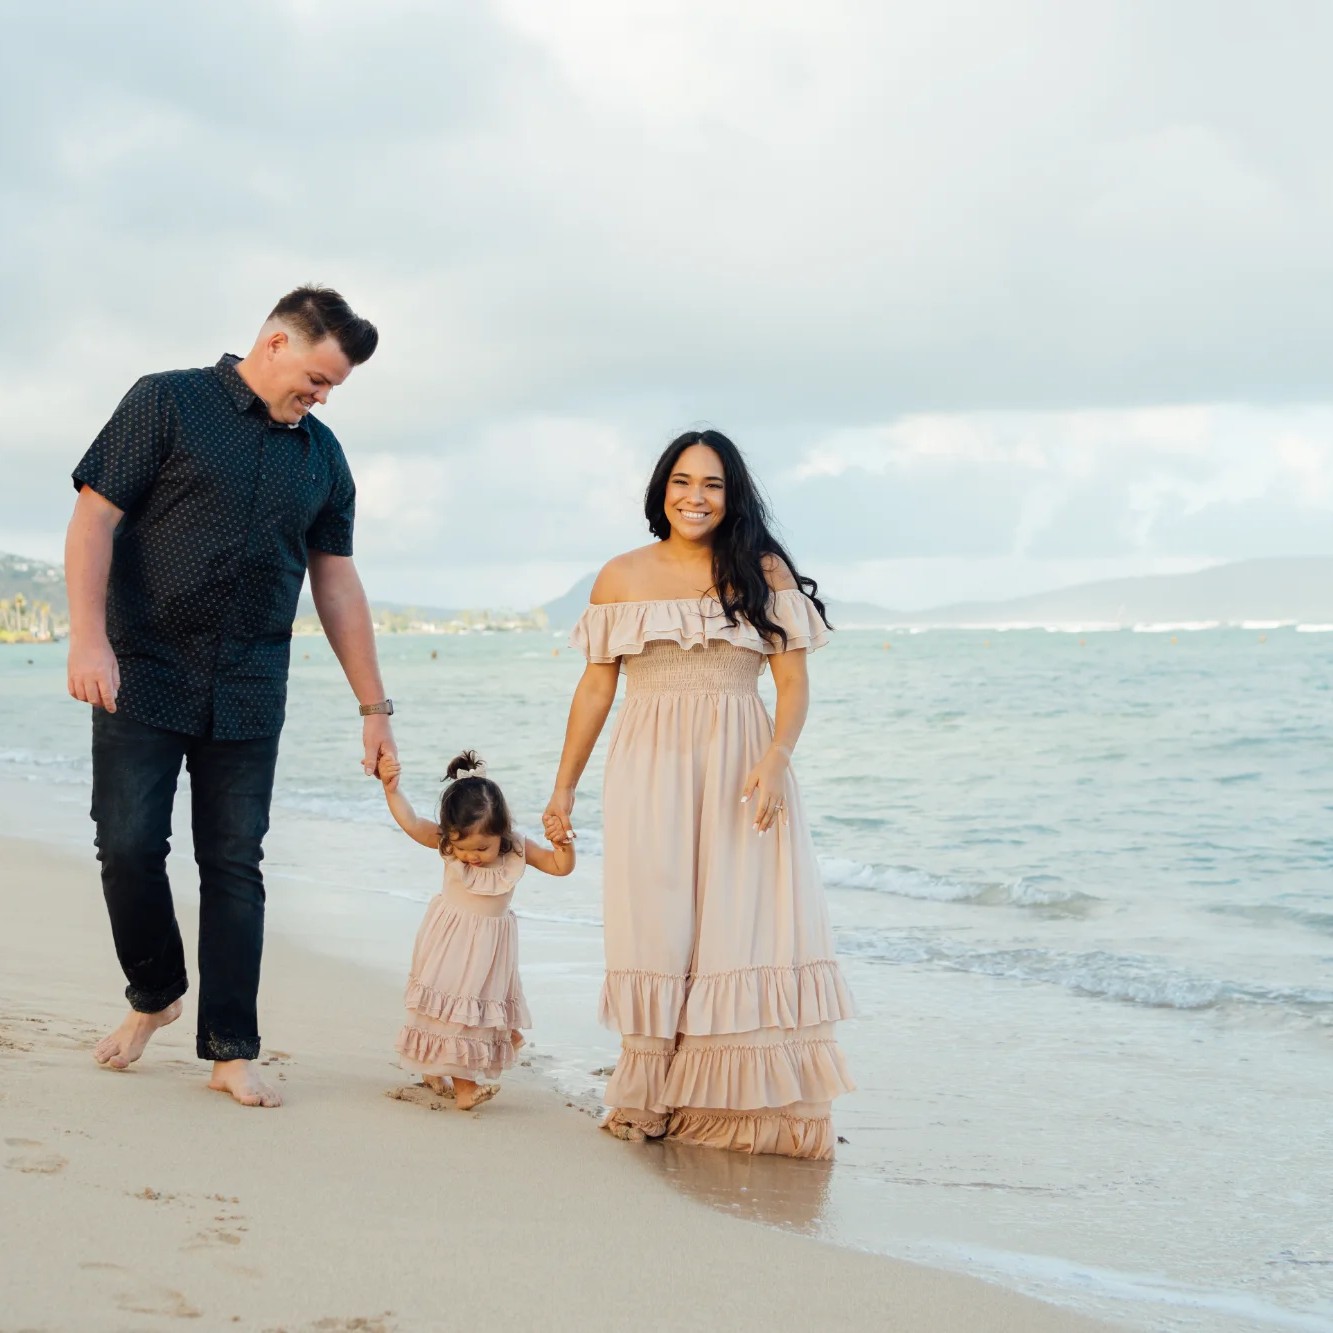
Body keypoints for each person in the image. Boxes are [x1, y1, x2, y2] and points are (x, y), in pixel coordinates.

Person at [64, 285, 395, 1108]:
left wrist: (374, 709)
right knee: (129, 844)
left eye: (333, 389)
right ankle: (155, 993)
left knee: (234, 865)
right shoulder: (166, 401)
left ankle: (230, 1048)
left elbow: (337, 583)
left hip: (250, 685)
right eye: (316, 379)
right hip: (141, 666)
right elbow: (94, 518)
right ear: (275, 343)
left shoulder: (322, 457)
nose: (319, 398)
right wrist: (87, 635)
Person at [543, 429, 855, 1160]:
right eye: (683, 481)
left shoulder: (762, 570)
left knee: (739, 927)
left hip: (744, 766)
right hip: (647, 765)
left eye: (712, 484)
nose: (696, 496)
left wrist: (777, 758)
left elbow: (793, 683)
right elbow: (595, 687)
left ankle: (737, 1106)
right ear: (661, 489)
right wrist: (563, 786)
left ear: (731, 493)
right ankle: (649, 1093)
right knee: (656, 921)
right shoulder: (619, 577)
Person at [380, 750, 574, 1110]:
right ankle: (466, 1089)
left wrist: (563, 842)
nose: (471, 856)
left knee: (473, 1012)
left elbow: (560, 867)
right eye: (463, 848)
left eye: (482, 847)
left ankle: (433, 1069)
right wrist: (392, 790)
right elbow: (410, 822)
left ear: (501, 832)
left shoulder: (516, 847)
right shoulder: (448, 844)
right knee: (457, 1012)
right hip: (450, 942)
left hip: (491, 949)